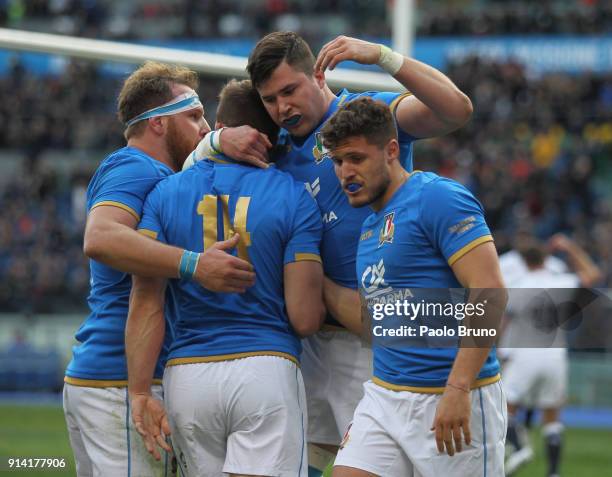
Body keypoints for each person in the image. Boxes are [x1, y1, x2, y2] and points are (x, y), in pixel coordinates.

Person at [190, 31, 474, 471]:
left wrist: (382, 56)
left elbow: (455, 109)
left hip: (377, 339)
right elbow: (189, 177)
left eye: (290, 90)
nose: (282, 108)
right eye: (269, 100)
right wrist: (213, 142)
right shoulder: (273, 151)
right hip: (309, 339)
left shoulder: (364, 117)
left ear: (318, 75)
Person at [63, 62, 257, 477]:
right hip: (122, 381)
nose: (204, 127)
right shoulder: (137, 168)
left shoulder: (157, 173)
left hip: (107, 377)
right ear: (157, 124)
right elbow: (99, 238)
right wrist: (193, 265)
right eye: (193, 116)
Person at [125, 79, 326, 477]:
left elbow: (146, 300)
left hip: (189, 376)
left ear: (220, 126)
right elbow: (304, 318)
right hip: (265, 370)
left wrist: (141, 391)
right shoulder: (293, 196)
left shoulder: (164, 193)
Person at [319, 97, 507, 476]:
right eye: (338, 161)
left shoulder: (437, 197)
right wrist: (311, 278)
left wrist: (457, 389)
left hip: (449, 395)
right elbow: (378, 322)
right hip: (384, 396)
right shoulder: (371, 226)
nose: (345, 173)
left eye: (356, 158)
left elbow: (489, 291)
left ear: (392, 150)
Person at [500, 234, 601, 477]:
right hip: (556, 355)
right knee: (552, 416)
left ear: (524, 261)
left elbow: (504, 320)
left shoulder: (519, 285)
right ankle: (553, 473)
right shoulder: (562, 281)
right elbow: (594, 275)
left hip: (525, 353)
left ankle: (520, 447)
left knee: (504, 409)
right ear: (547, 258)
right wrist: (571, 247)